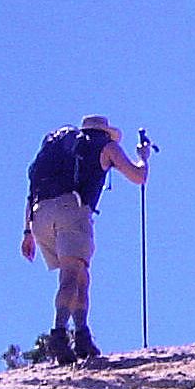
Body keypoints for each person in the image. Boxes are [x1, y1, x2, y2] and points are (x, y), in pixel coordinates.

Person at [22, 115, 149, 363]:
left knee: (81, 275)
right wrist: (143, 158)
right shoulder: (105, 145)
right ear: (105, 131)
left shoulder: (60, 148)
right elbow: (138, 176)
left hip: (39, 216)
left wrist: (27, 232)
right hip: (72, 209)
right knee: (71, 274)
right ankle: (59, 334)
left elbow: (32, 190)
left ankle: (82, 336)